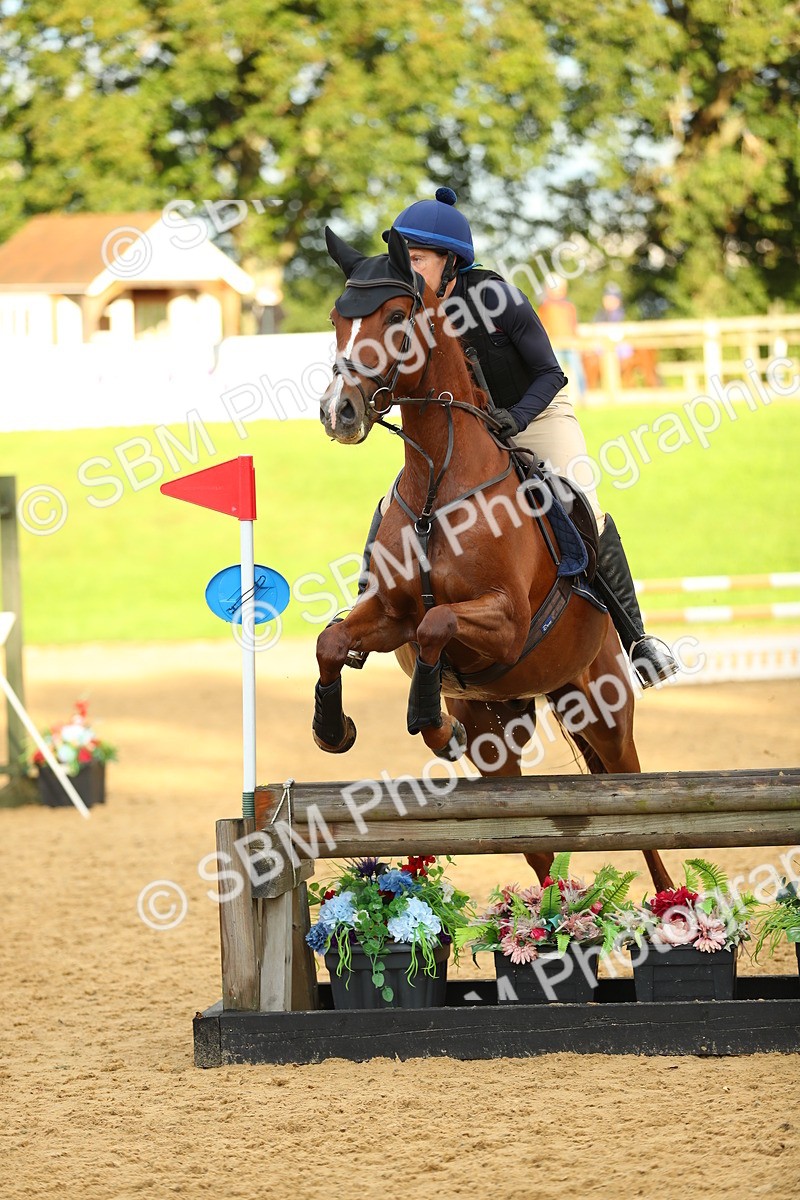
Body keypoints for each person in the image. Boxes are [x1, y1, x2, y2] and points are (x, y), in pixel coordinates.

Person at [346, 187, 677, 687]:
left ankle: (637, 640)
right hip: (470, 426)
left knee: (583, 504)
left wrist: (517, 419)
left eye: (416, 259)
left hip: (536, 413)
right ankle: (365, 607)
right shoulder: (408, 312)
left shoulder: (497, 299)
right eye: (403, 258)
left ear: (450, 262)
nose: (406, 268)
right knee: (393, 503)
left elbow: (550, 373)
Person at [537, 278, 586, 404]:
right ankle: (557, 399)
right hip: (555, 344)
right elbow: (543, 326)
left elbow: (573, 325)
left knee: (577, 371)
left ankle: (582, 397)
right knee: (555, 373)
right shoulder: (545, 307)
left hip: (570, 343)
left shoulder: (569, 306)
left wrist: (576, 340)